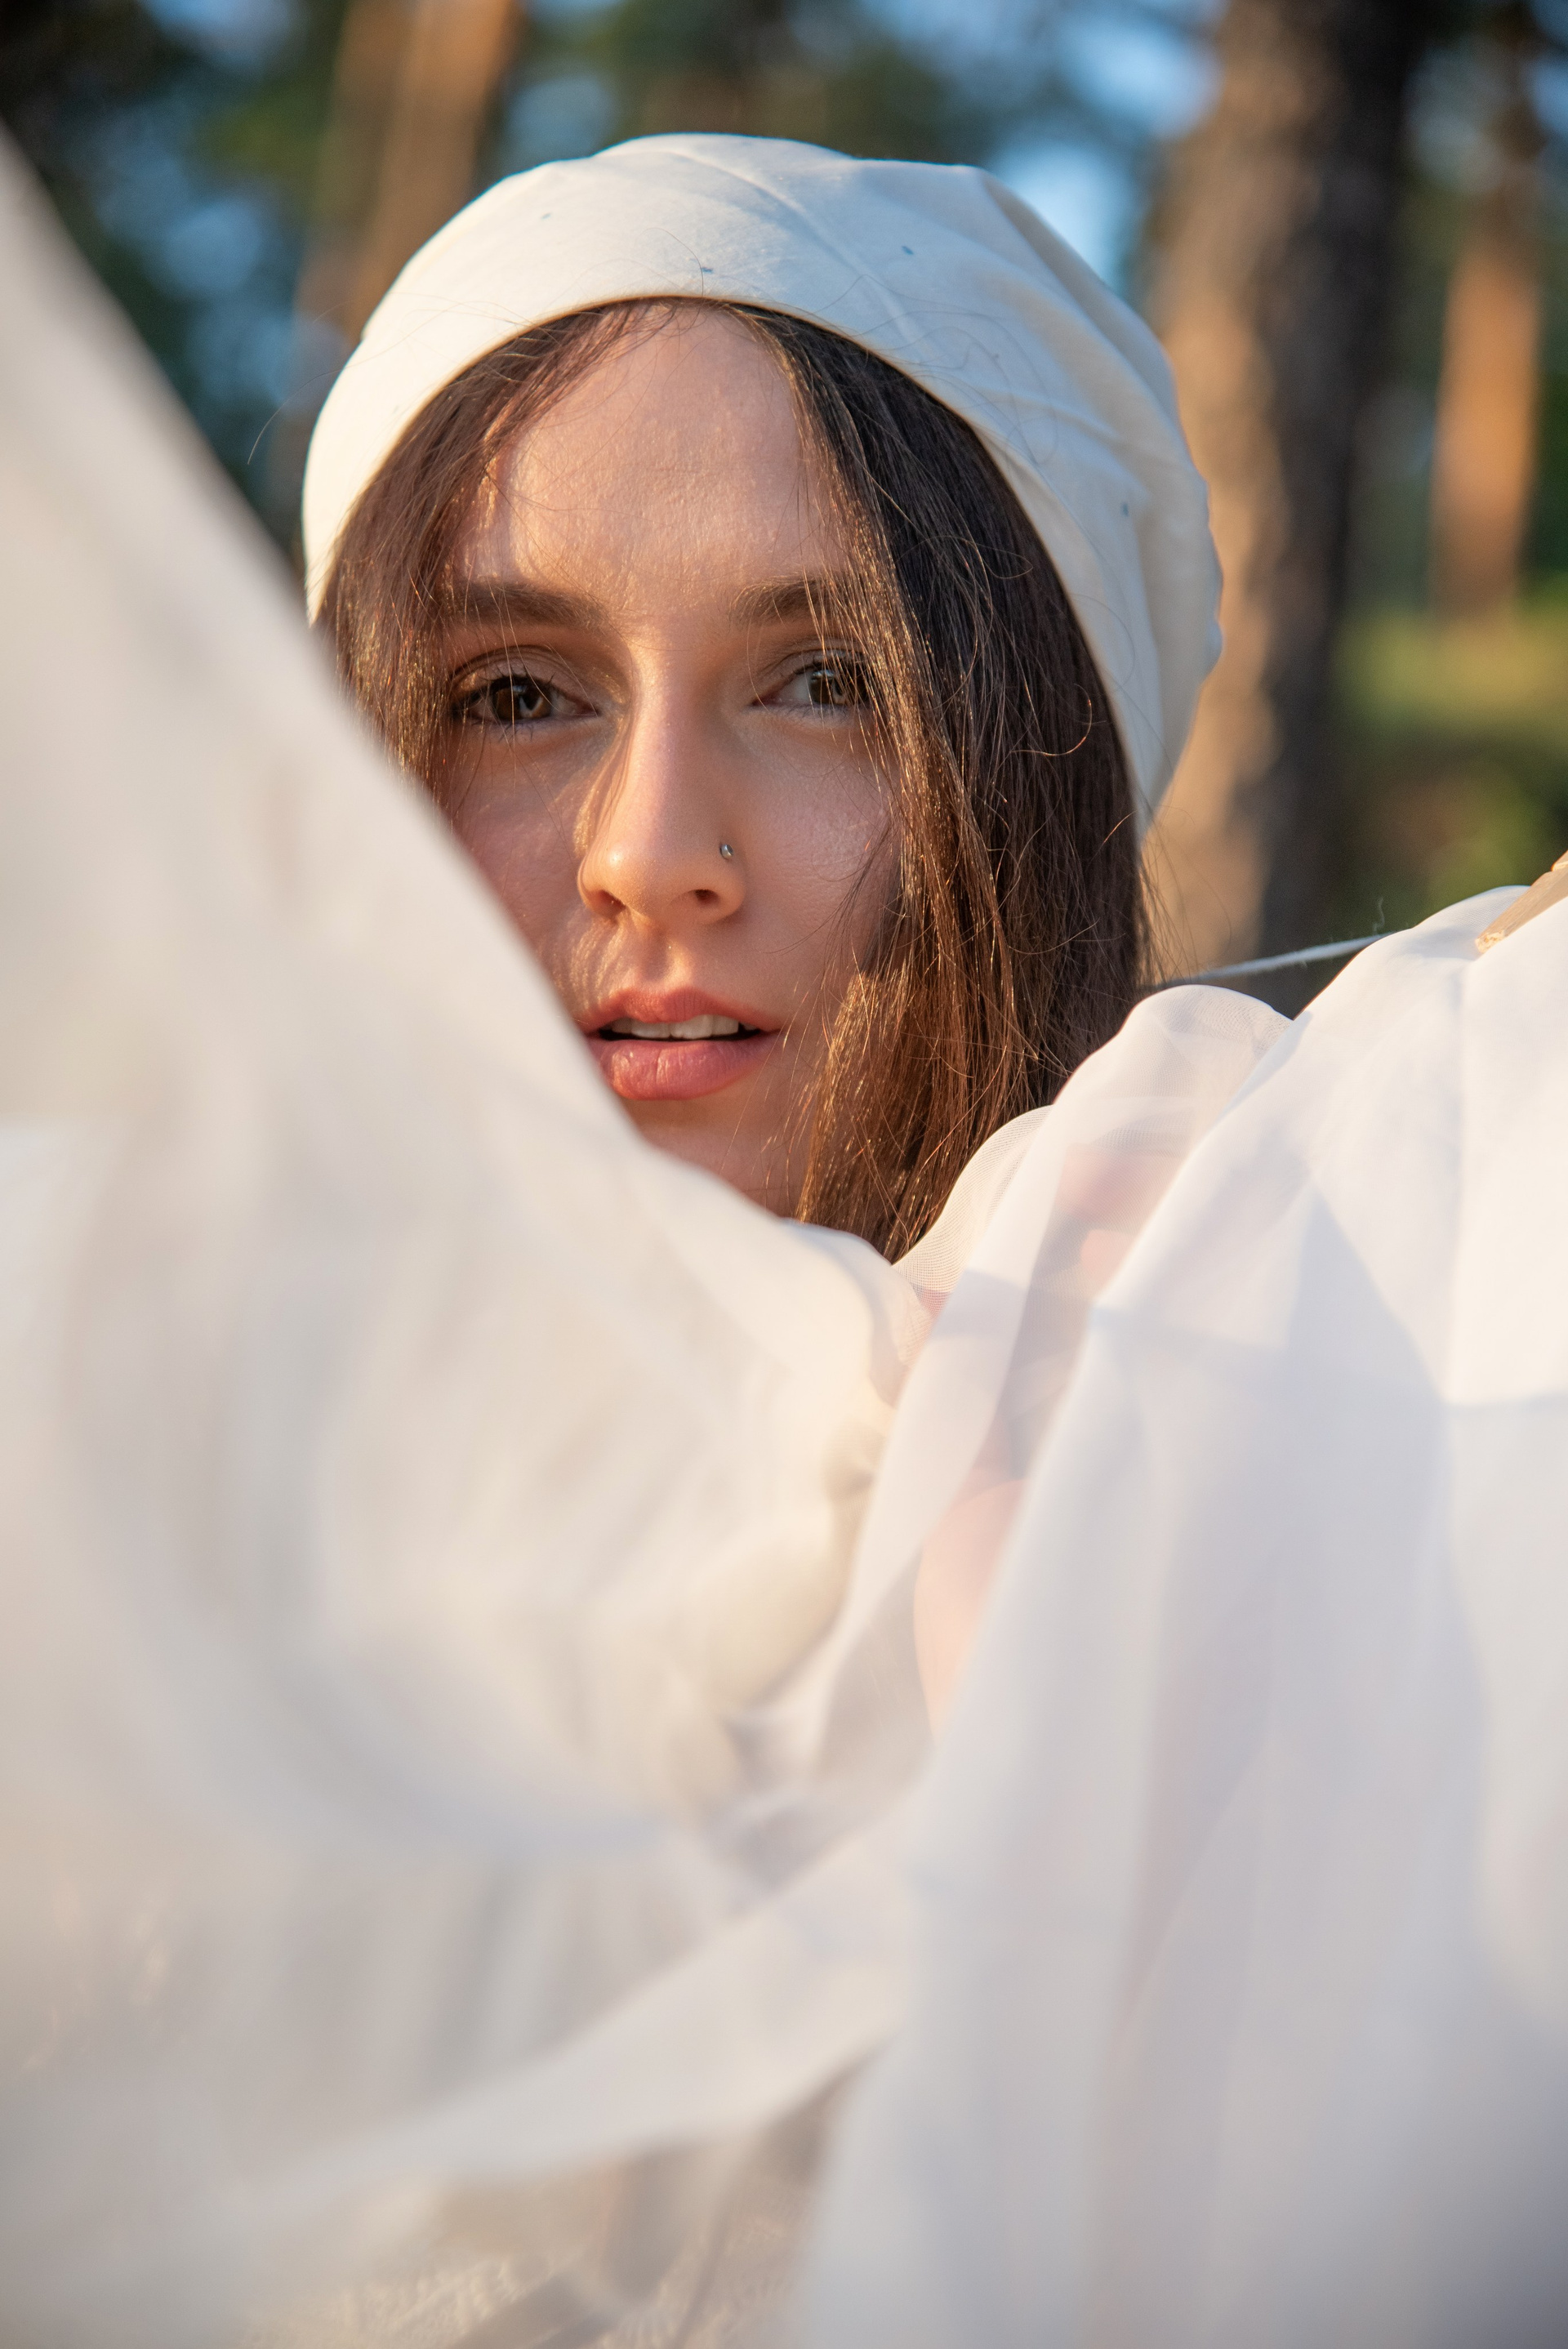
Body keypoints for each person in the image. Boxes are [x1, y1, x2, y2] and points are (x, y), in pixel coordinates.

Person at [5, 126, 1568, 2349]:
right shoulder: (96, 1430)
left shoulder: (1272, 1389)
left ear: (1037, 770)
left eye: (826, 678)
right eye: (518, 691)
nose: (655, 851)